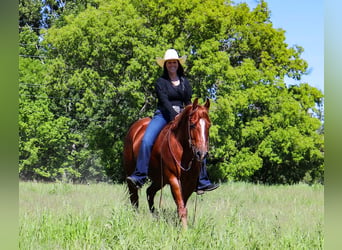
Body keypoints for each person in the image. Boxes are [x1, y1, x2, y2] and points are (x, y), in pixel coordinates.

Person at [126, 49, 219, 194]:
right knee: (146, 141)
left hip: (182, 115)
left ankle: (202, 181)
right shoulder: (161, 82)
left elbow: (188, 102)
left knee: (199, 141)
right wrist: (174, 115)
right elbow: (164, 101)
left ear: (178, 64)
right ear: (165, 65)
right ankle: (140, 176)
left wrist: (186, 115)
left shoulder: (184, 82)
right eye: (169, 63)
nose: (172, 65)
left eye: (174, 62)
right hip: (162, 114)